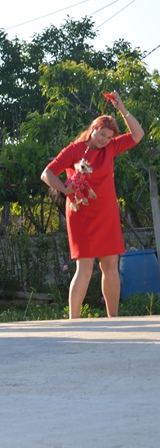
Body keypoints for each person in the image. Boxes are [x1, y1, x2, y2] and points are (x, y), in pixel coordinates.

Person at [41, 91, 143, 319]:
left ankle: (113, 318)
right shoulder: (74, 149)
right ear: (93, 128)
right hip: (81, 214)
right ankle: (73, 320)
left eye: (108, 137)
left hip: (107, 214)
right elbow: (47, 173)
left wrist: (122, 109)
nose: (104, 139)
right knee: (85, 269)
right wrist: (65, 188)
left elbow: (138, 135)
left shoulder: (111, 148)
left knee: (110, 267)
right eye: (102, 134)